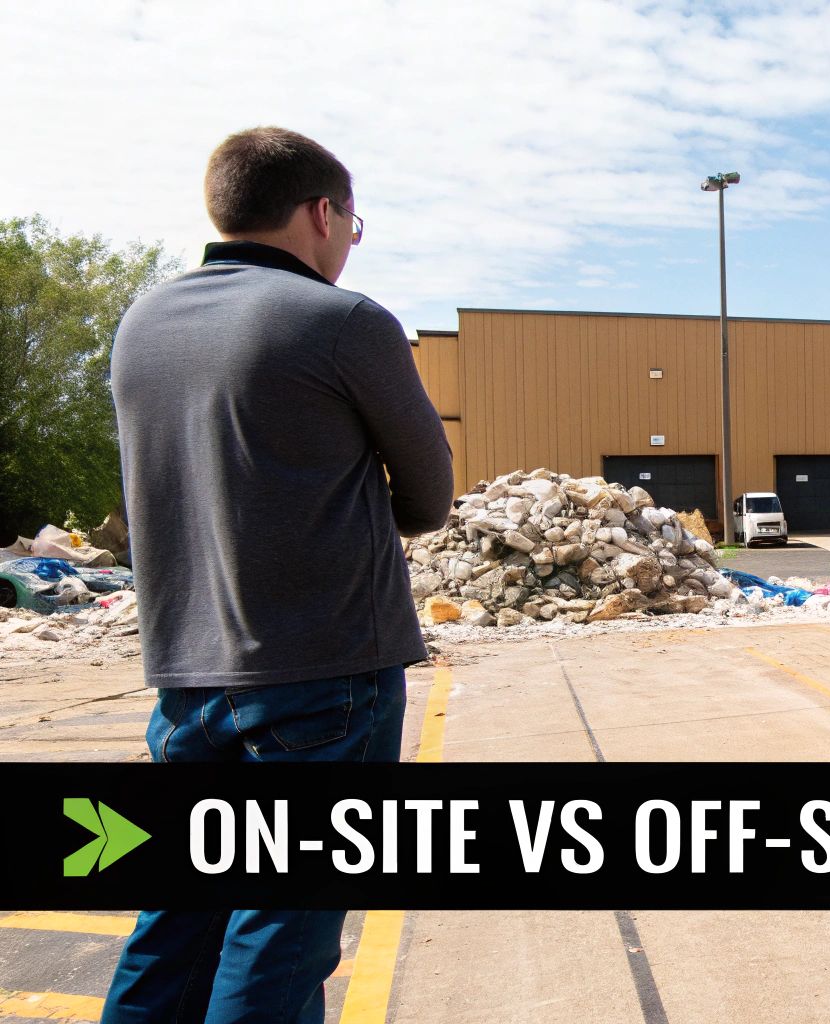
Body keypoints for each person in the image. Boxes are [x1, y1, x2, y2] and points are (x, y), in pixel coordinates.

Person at [102, 127, 453, 1023]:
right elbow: (429, 494)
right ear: (320, 212)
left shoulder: (143, 324)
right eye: (351, 222)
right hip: (322, 673)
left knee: (175, 921)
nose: (347, 242)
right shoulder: (343, 322)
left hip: (184, 678)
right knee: (283, 930)